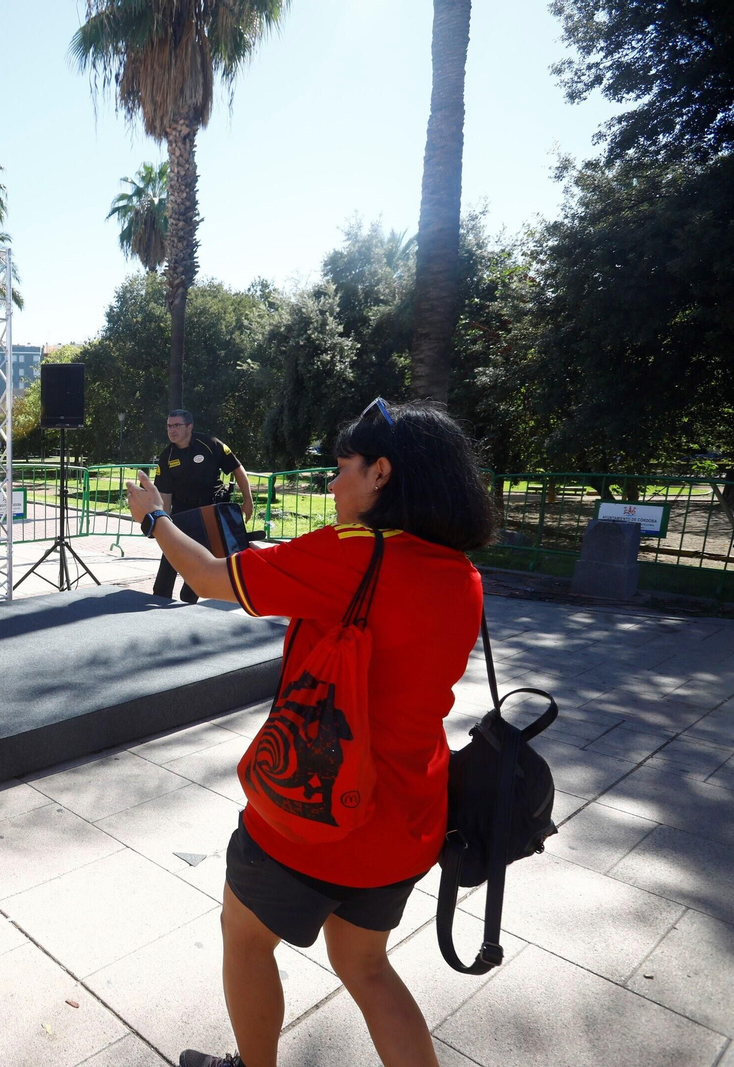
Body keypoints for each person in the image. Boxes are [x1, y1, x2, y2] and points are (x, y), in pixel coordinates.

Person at [124, 398, 497, 1067]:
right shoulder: (460, 573)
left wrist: (153, 516)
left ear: (380, 473)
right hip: (407, 815)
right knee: (367, 966)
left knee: (243, 935)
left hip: (313, 807)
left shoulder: (352, 555)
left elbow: (208, 575)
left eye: (343, 467)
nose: (331, 483)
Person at [152, 409, 254, 603]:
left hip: (210, 515)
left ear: (189, 426)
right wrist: (163, 524)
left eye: (176, 425)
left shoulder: (210, 444)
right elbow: (165, 494)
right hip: (182, 515)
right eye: (169, 426)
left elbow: (237, 469)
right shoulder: (167, 456)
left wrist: (248, 500)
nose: (171, 430)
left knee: (201, 561)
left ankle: (189, 598)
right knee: (170, 559)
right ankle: (160, 596)